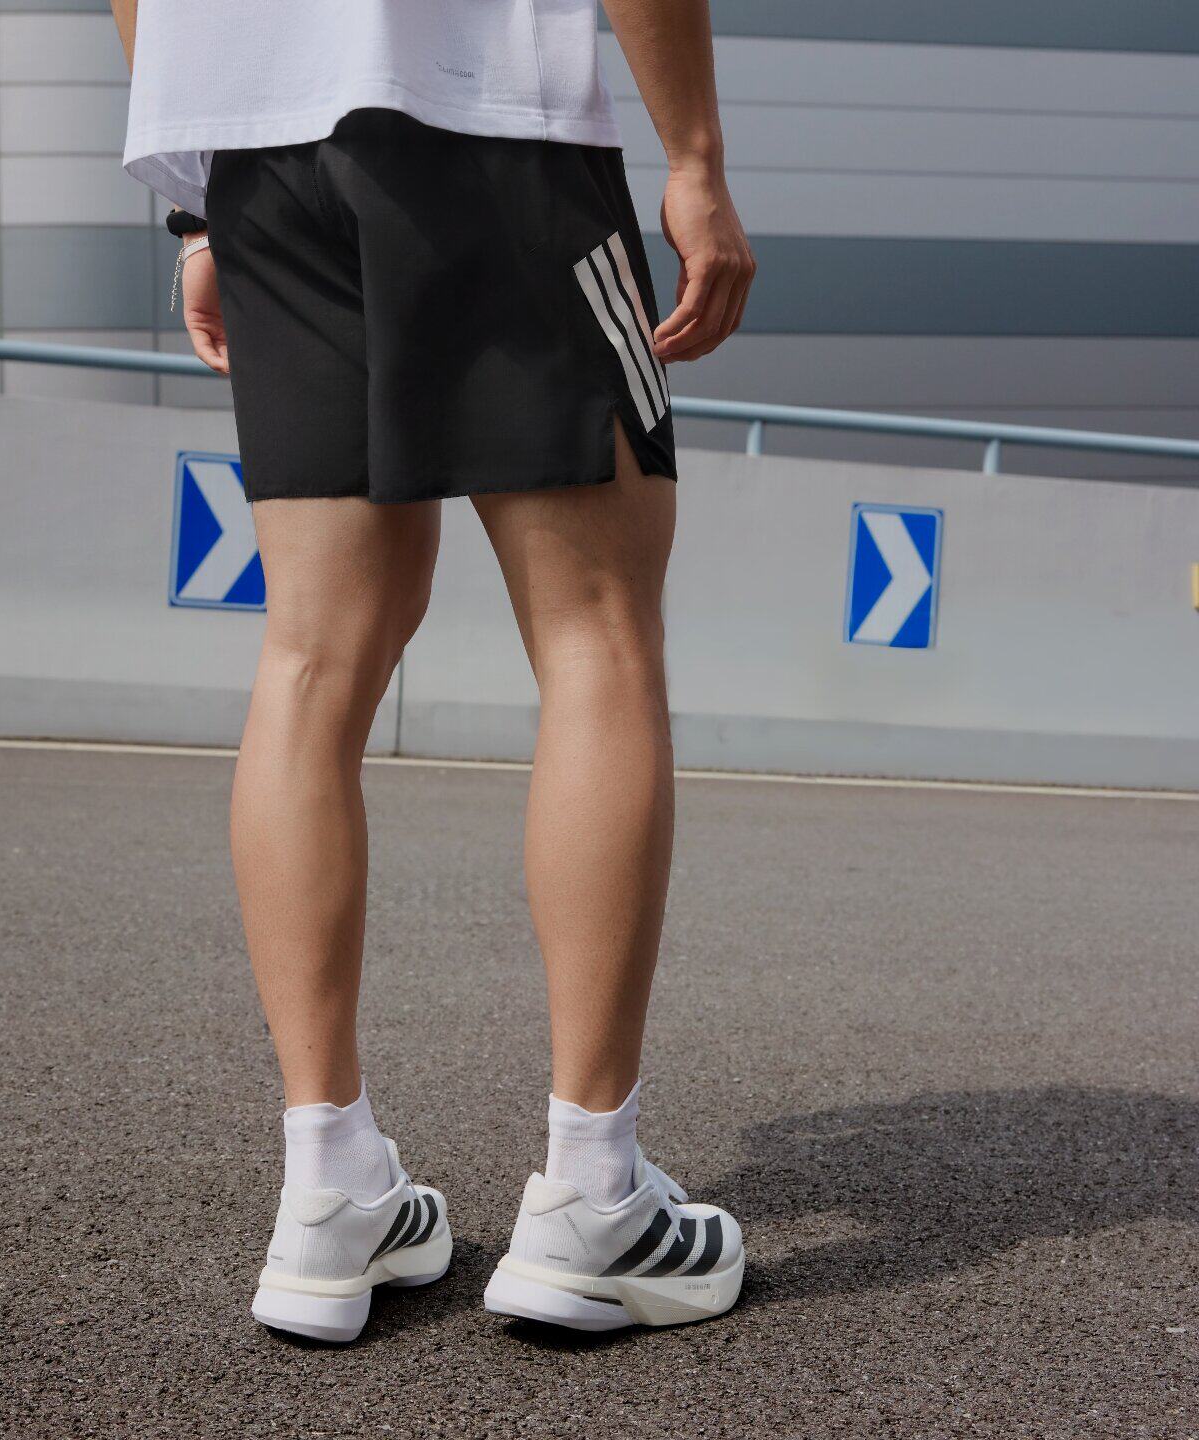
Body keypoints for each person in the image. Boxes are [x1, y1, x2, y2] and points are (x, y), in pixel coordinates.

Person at [111, 0, 755, 1341]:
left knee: (310, 654)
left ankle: (330, 1189)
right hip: (490, 121)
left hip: (261, 160)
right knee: (597, 628)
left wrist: (195, 208)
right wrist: (694, 157)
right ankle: (594, 1200)